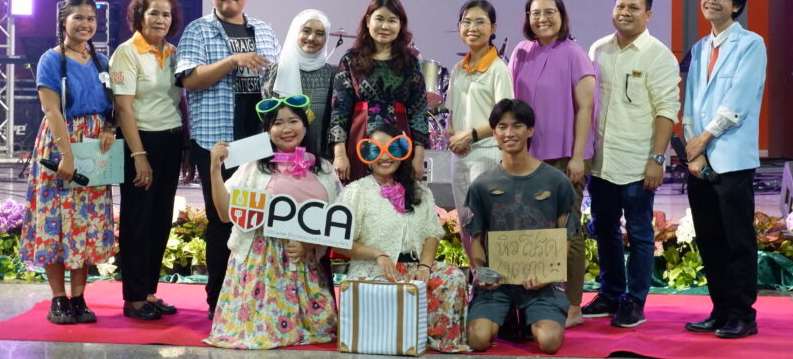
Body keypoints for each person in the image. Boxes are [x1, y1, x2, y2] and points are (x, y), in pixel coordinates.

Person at [175, 0, 281, 317]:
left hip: (259, 142)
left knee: (258, 221)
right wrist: (233, 61)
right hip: (218, 143)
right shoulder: (198, 31)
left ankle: (254, 296)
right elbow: (190, 80)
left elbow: (276, 83)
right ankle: (219, 301)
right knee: (222, 221)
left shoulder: (264, 30)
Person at [204, 97, 340, 349]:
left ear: (305, 125)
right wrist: (214, 169)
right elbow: (224, 214)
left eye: (293, 121)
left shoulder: (324, 168)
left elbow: (335, 220)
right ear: (267, 130)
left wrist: (309, 244)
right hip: (260, 261)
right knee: (261, 332)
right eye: (277, 123)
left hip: (303, 261)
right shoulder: (254, 167)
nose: (286, 129)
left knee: (324, 329)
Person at [582, 0, 680, 327]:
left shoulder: (658, 56)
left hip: (639, 163)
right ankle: (610, 294)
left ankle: (635, 301)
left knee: (639, 232)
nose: (625, 12)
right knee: (604, 228)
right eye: (620, 6)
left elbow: (667, 110)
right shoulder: (598, 50)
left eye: (633, 8)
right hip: (602, 162)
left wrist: (657, 159)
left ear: (648, 14)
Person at [20, 0, 116, 325]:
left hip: (95, 146)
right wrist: (67, 155)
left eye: (91, 18)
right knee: (56, 222)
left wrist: (110, 128)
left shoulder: (104, 61)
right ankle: (58, 298)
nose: (85, 24)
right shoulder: (50, 60)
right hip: (61, 143)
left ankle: (79, 298)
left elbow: (115, 102)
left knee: (86, 222)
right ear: (64, 21)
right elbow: (51, 110)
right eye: (78, 18)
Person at [681, 0, 766, 340]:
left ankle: (743, 314)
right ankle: (719, 310)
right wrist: (693, 150)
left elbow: (739, 101)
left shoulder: (751, 44)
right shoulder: (700, 47)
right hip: (700, 161)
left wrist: (704, 138)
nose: (711, 0)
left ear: (736, 5)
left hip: (731, 158)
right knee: (710, 238)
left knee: (737, 239)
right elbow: (690, 103)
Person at [335, 123, 468, 353]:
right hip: (374, 269)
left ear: (402, 151)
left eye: (392, 149)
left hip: (414, 268)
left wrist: (425, 266)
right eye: (376, 150)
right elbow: (340, 241)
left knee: (453, 277)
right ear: (366, 155)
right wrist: (377, 254)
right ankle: (392, 339)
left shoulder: (420, 191)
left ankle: (434, 341)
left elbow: (432, 234)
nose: (384, 156)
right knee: (384, 291)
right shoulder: (355, 191)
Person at [507, 0, 595, 327]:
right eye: (535, 13)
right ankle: (537, 299)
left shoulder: (574, 53)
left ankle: (573, 307)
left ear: (562, 15)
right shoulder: (521, 52)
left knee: (567, 231)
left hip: (564, 158)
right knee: (530, 229)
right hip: (527, 157)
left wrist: (578, 157)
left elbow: (585, 109)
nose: (542, 19)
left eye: (549, 12)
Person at [465, 99, 576, 355]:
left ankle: (529, 316)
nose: (509, 133)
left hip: (541, 283)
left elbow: (566, 236)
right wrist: (482, 275)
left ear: (530, 130)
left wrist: (547, 273)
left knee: (549, 342)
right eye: (502, 126)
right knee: (478, 339)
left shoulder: (556, 181)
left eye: (517, 126)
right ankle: (505, 317)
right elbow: (477, 239)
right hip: (499, 284)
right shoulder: (482, 185)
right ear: (494, 133)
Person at [109, 0, 186, 320]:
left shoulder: (173, 52)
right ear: (139, 15)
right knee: (137, 220)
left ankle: (149, 291)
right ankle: (134, 297)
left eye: (166, 14)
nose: (160, 19)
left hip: (171, 141)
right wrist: (138, 155)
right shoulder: (125, 53)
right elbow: (123, 108)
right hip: (140, 142)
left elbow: (178, 101)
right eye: (154, 12)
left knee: (160, 220)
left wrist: (185, 146)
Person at [330, 0, 428, 182]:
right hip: (359, 141)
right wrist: (340, 154)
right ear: (368, 21)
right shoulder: (351, 60)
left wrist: (419, 156)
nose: (385, 26)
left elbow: (419, 112)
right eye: (379, 19)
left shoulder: (411, 63)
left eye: (392, 20)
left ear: (400, 25)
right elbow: (339, 110)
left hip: (399, 143)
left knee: (398, 195)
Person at [446, 0, 514, 255]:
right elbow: (452, 113)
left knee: (487, 224)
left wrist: (471, 136)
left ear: (492, 28)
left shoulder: (498, 69)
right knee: (466, 225)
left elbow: (504, 118)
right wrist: (452, 135)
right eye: (466, 22)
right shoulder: (457, 69)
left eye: (480, 22)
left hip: (487, 154)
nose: (472, 28)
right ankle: (477, 276)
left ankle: (494, 276)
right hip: (460, 155)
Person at [261, 9, 338, 160]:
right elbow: (266, 122)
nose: (311, 38)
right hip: (281, 161)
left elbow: (339, 121)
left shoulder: (334, 74)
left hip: (323, 159)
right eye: (306, 31)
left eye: (320, 33)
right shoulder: (276, 72)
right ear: (295, 32)